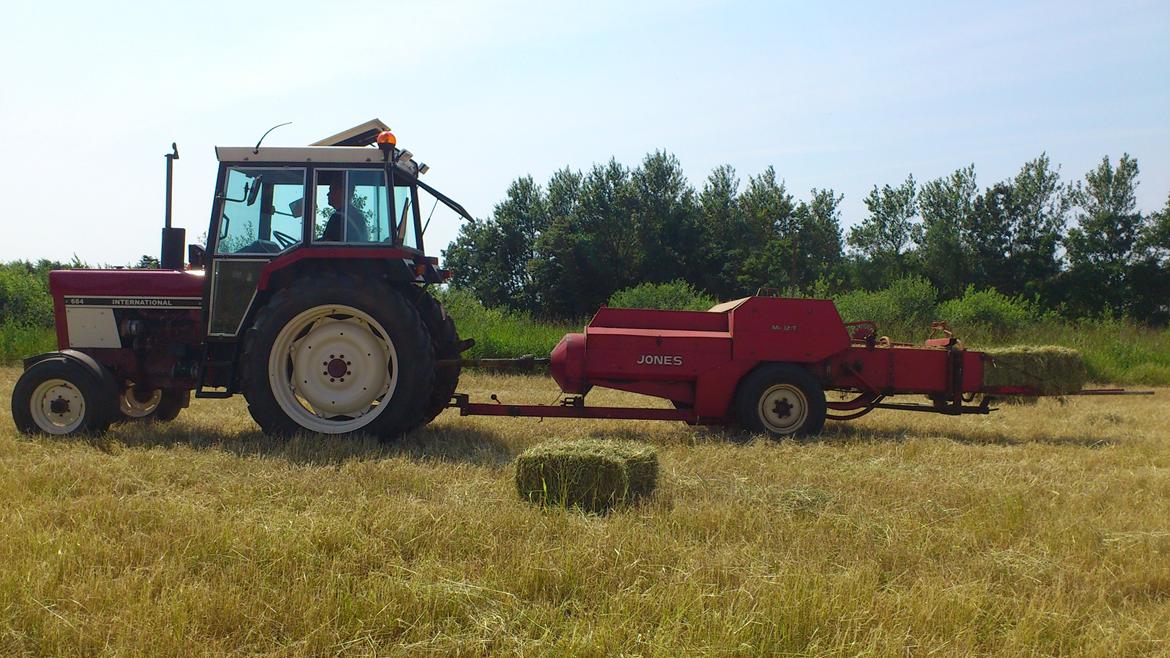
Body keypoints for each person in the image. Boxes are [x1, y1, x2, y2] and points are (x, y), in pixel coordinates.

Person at [318, 173, 370, 243]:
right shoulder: (357, 216)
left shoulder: (338, 218)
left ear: (341, 192)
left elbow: (327, 246)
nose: (328, 194)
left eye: (331, 190)